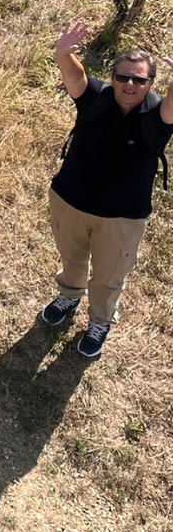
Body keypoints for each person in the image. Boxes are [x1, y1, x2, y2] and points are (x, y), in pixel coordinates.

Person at [43, 25, 173, 358]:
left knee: (108, 276)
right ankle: (69, 295)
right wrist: (63, 53)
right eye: (123, 77)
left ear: (150, 83)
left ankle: (99, 321)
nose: (130, 84)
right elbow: (75, 77)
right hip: (70, 201)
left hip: (122, 218)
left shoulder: (157, 116)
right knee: (72, 259)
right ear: (113, 78)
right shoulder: (97, 98)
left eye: (139, 79)